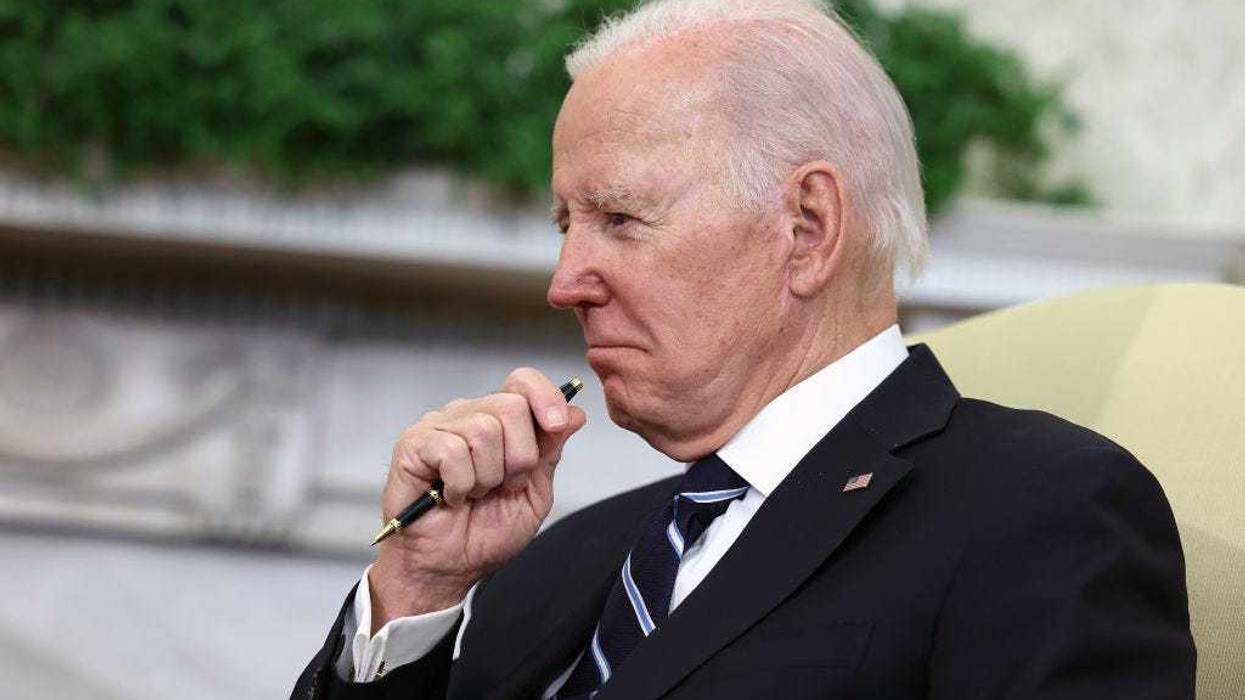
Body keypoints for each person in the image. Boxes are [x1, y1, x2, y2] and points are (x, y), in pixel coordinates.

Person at [292, 0, 1196, 697]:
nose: (564, 282)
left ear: (806, 228)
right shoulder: (556, 560)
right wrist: (414, 592)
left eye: (619, 218)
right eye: (567, 224)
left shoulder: (1036, 511)